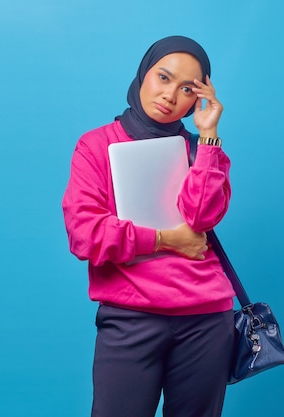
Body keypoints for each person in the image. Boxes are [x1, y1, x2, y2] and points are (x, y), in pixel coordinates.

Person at [62, 35, 235, 417]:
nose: (171, 95)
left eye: (187, 89)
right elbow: (85, 235)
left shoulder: (201, 149)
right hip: (131, 316)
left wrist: (208, 138)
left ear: (198, 100)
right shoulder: (96, 146)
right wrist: (165, 240)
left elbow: (204, 217)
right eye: (163, 78)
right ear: (143, 75)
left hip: (206, 317)